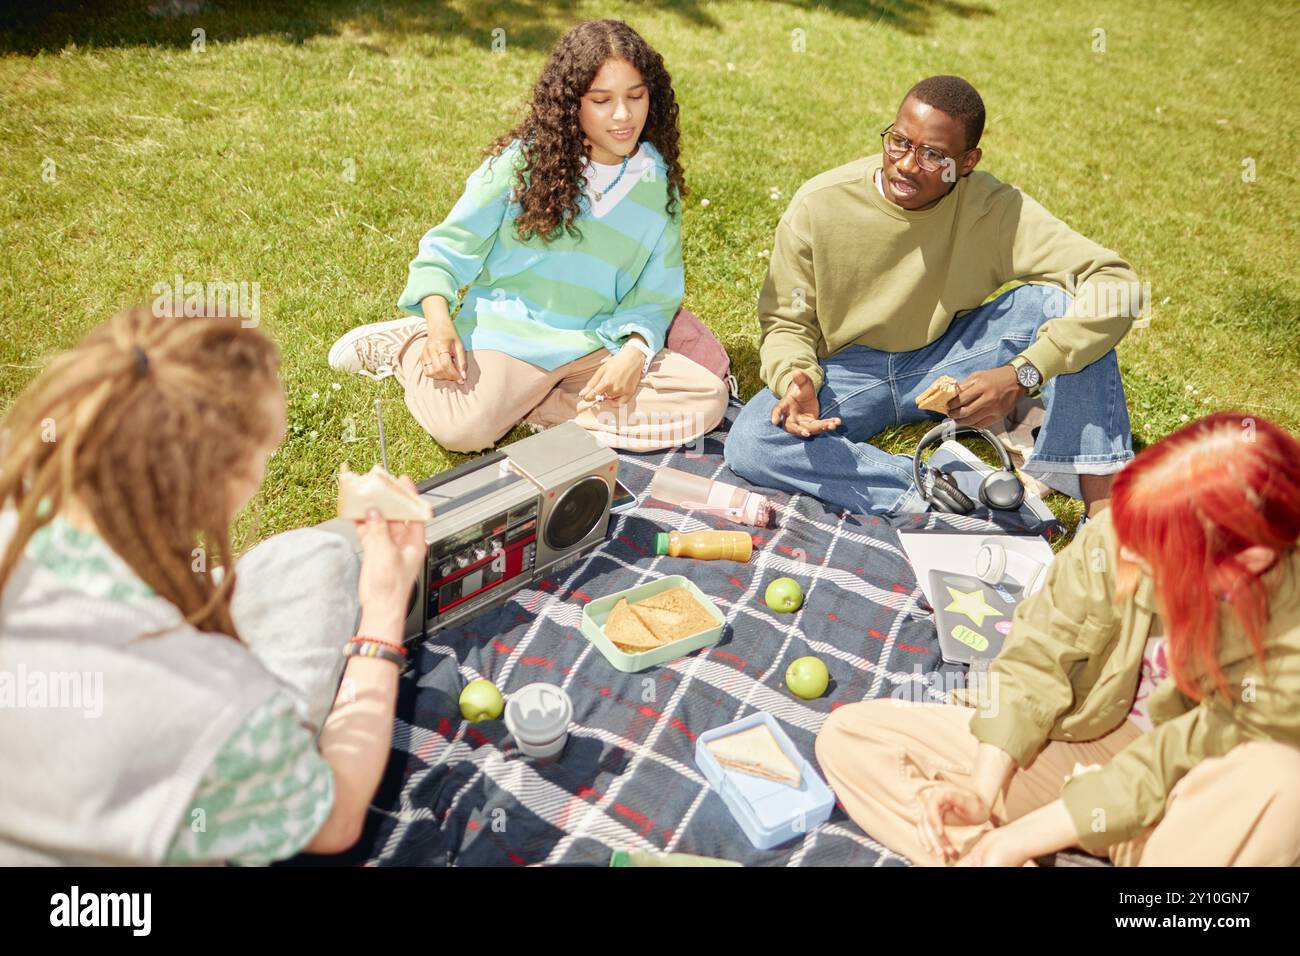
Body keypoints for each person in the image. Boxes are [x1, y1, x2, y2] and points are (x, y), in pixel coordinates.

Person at [0, 307, 425, 865]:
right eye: (266, 452)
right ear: (218, 488)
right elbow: (337, 820)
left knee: (311, 558)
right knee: (319, 561)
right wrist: (385, 609)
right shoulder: (219, 707)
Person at [815, 412, 1300, 866]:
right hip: (1080, 743)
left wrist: (1020, 838)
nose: (1128, 555)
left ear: (1248, 563)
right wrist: (981, 794)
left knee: (1281, 787)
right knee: (853, 738)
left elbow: (1168, 763)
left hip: (1186, 796)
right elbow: (1038, 651)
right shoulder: (1133, 529)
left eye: (1156, 559)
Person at [724, 75, 1142, 518]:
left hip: (951, 357)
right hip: (846, 370)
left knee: (1062, 309)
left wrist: (1022, 375)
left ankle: (1104, 515)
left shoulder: (993, 209)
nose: (906, 164)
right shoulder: (818, 205)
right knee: (754, 441)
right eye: (899, 142)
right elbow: (785, 323)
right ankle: (946, 489)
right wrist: (794, 377)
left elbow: (1118, 286)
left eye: (932, 155)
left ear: (967, 162)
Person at [329, 19, 728, 453]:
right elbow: (446, 250)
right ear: (571, 102)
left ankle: (531, 407)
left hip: (596, 345)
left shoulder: (656, 182)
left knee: (704, 400)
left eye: (635, 96)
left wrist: (634, 352)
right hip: (511, 339)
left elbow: (657, 291)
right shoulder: (521, 165)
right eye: (601, 100)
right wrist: (439, 324)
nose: (623, 115)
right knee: (464, 432)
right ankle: (408, 347)